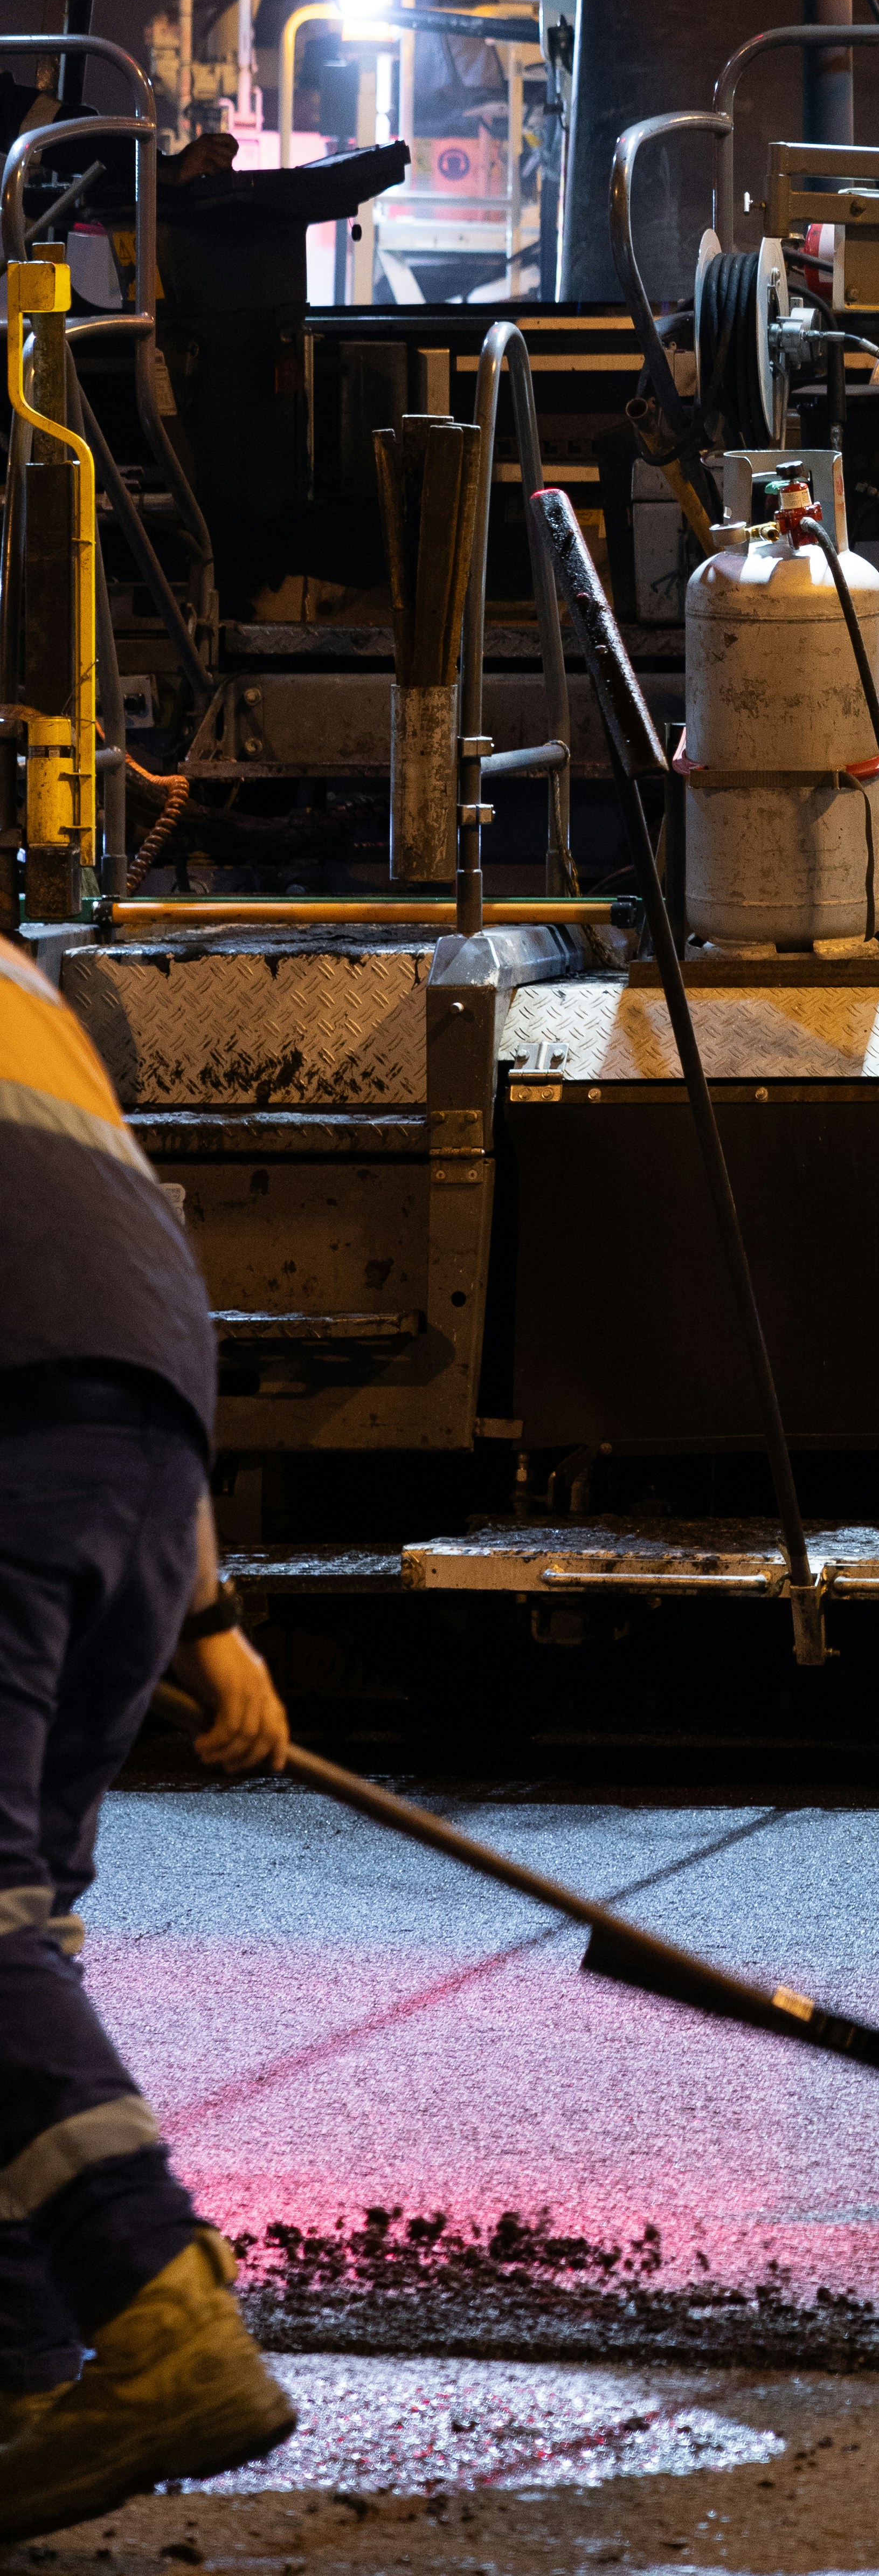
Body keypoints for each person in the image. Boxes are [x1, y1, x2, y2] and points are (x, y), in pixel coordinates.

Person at [0, 936, 300, 2540]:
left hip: (14, 1404)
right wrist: (208, 1614)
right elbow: (108, 1232)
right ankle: (30, 2380)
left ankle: (165, 2321)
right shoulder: (25, 985)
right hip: (146, 1412)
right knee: (16, 1926)